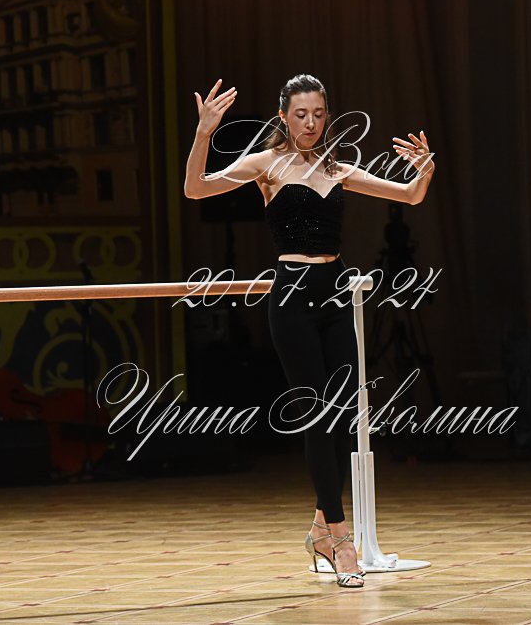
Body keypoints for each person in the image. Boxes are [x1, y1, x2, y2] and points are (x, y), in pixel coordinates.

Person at [184, 74, 435, 587]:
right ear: (283, 116)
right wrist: (204, 132)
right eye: (300, 114)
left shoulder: (338, 168)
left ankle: (322, 526)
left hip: (336, 293)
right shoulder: (265, 164)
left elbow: (410, 196)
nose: (310, 123)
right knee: (317, 417)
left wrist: (424, 169)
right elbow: (196, 188)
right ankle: (341, 540)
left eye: (318, 114)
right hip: (292, 298)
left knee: (341, 416)